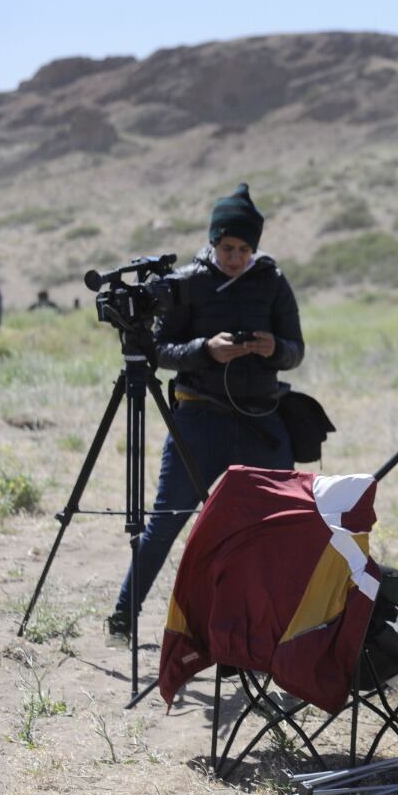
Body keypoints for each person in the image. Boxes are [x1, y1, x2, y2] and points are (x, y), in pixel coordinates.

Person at [108, 183, 304, 638]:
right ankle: (123, 616)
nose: (234, 257)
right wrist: (206, 350)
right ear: (213, 242)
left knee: (277, 525)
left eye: (243, 249)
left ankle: (274, 630)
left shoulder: (272, 282)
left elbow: (296, 349)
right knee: (167, 520)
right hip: (199, 418)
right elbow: (157, 349)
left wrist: (274, 348)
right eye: (227, 247)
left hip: (260, 420)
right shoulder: (189, 284)